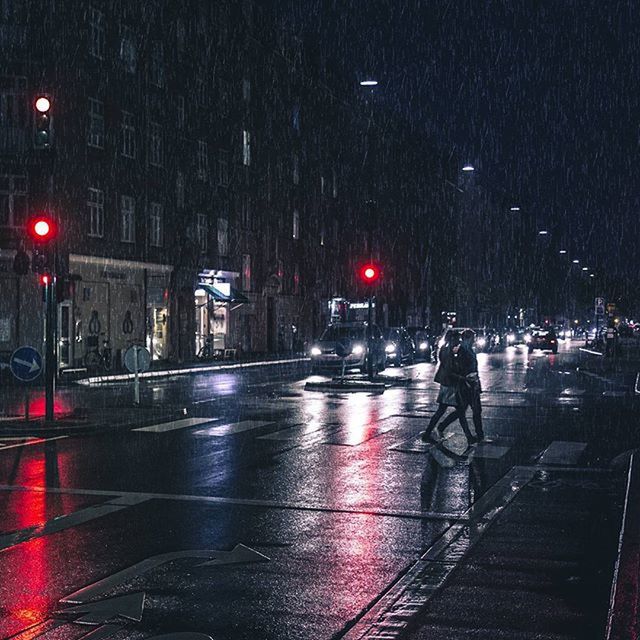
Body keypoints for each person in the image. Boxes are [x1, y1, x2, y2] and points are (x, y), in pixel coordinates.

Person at [421, 331, 474, 444]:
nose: (458, 342)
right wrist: (463, 378)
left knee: (443, 411)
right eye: (457, 339)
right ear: (451, 339)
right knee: (459, 411)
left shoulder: (445, 350)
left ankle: (427, 433)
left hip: (447, 384)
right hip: (450, 385)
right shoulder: (449, 352)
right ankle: (469, 437)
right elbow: (450, 371)